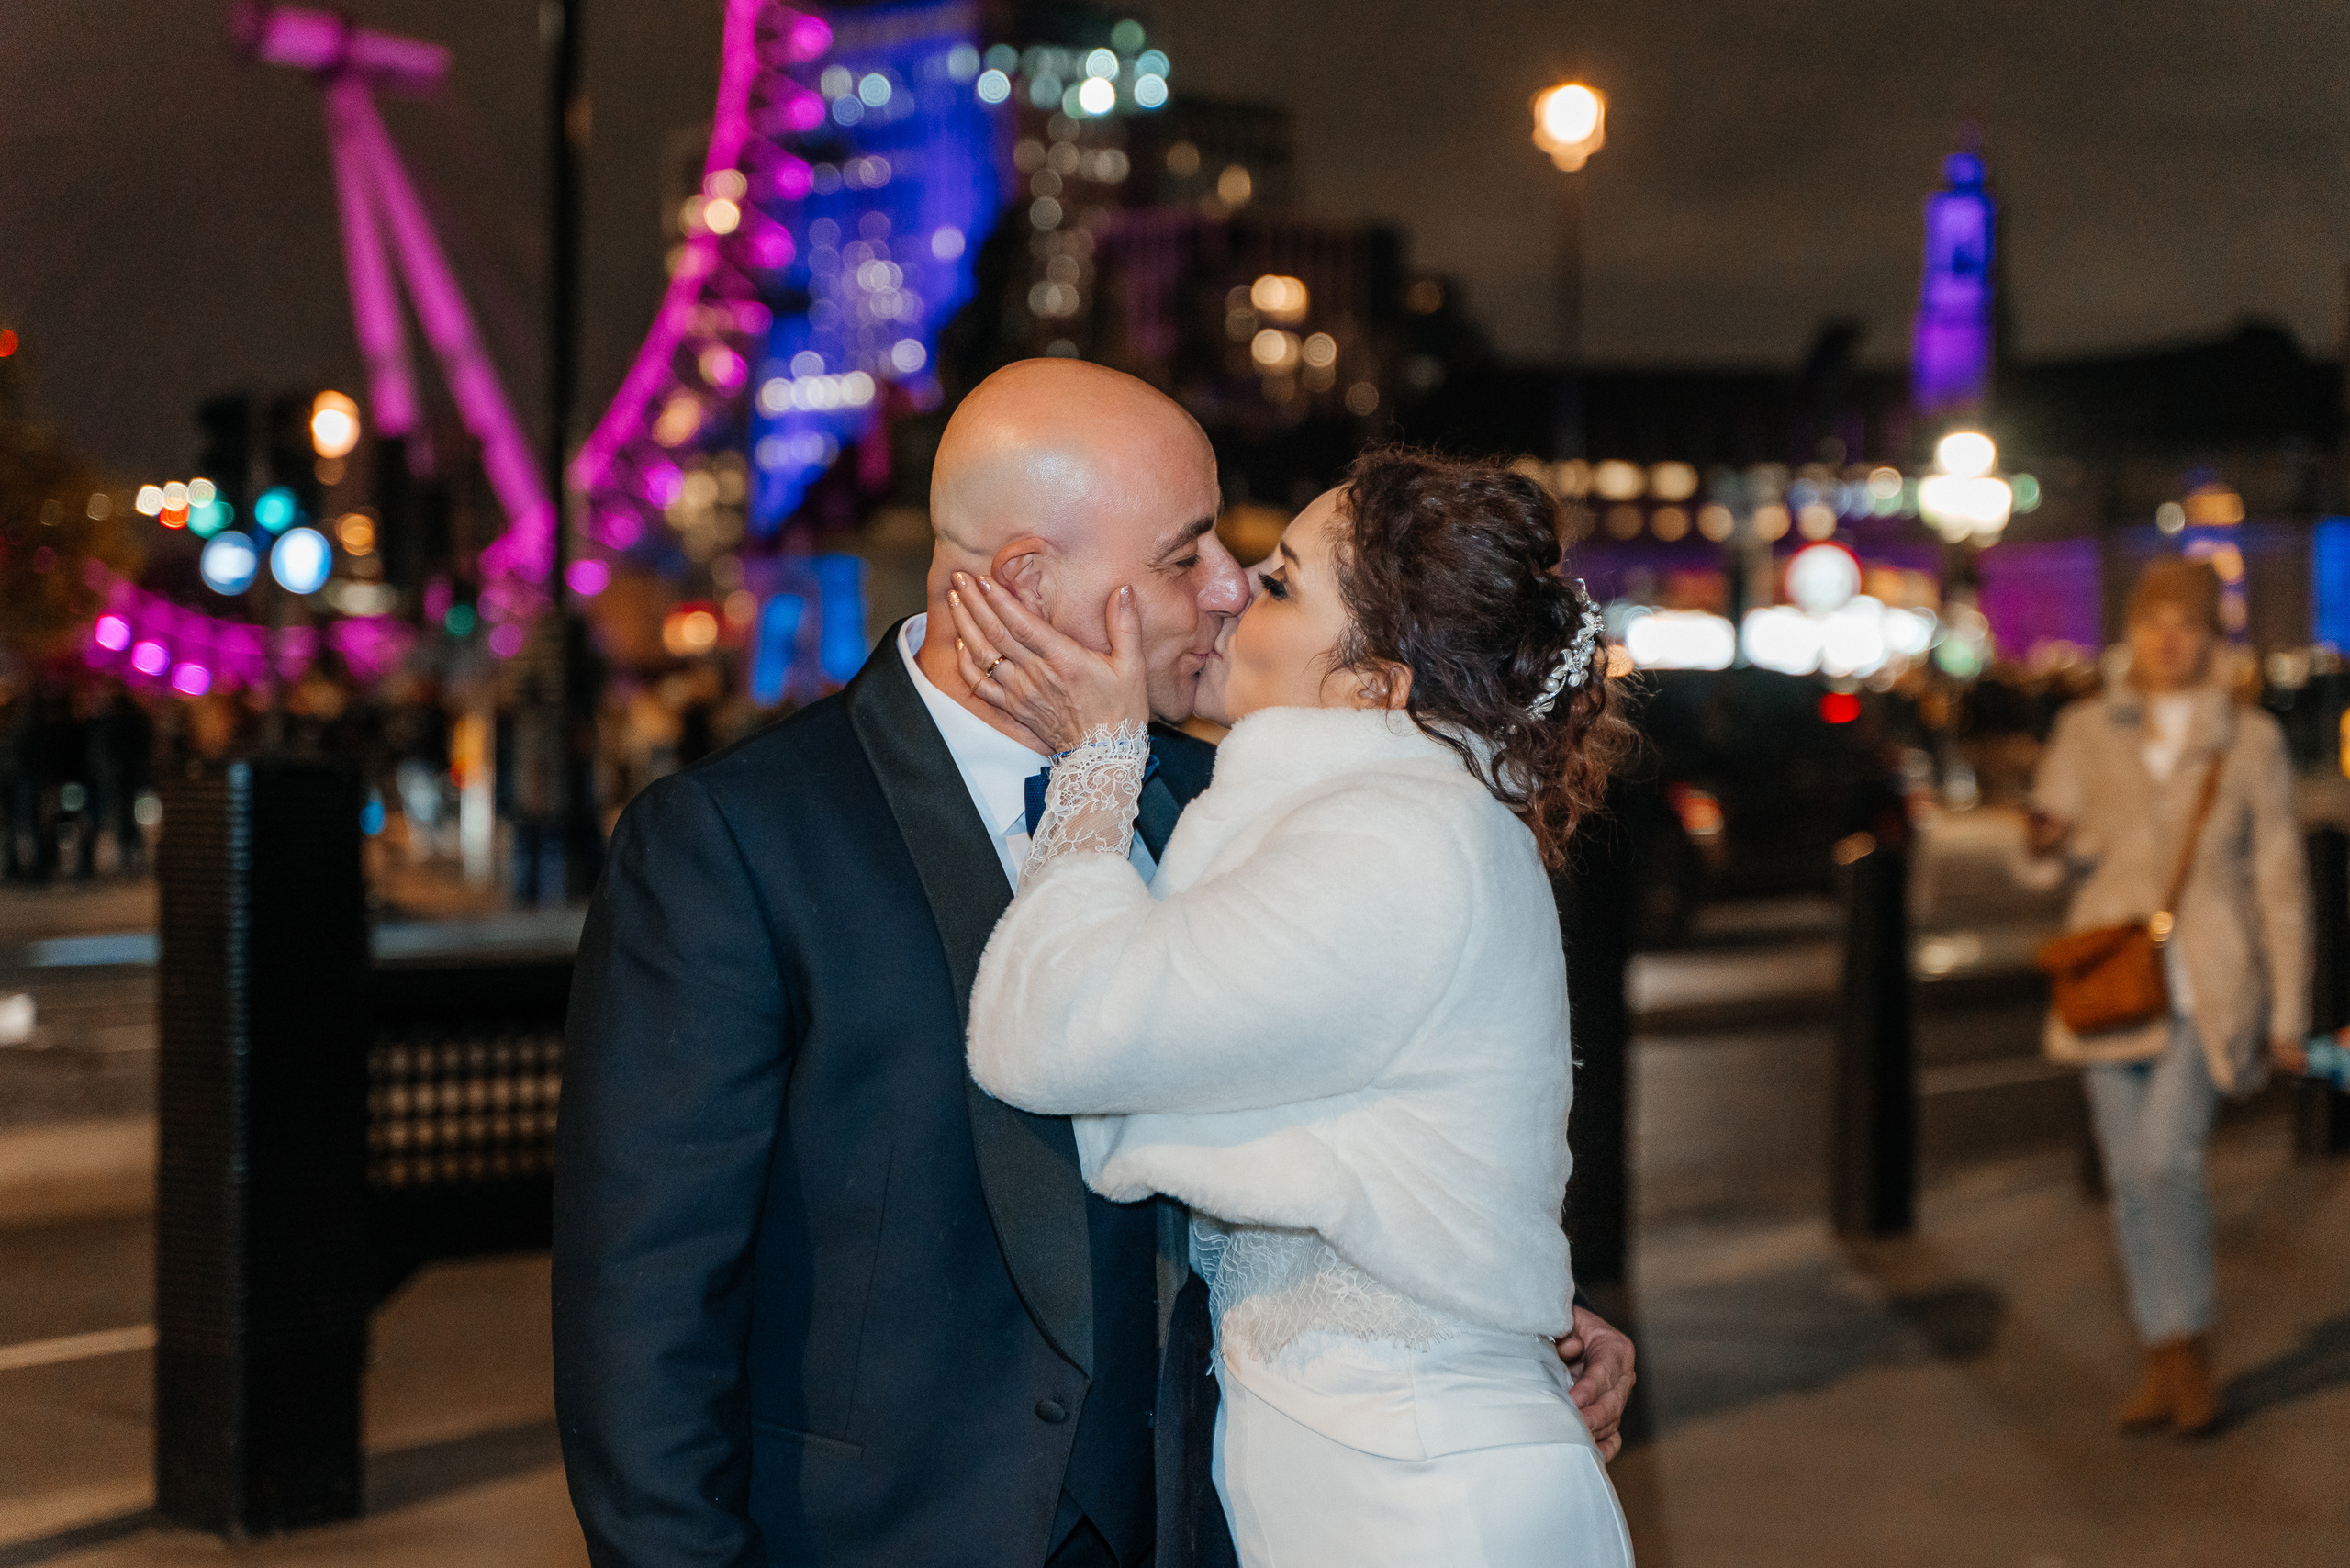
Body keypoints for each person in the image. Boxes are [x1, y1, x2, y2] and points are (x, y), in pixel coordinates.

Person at [553, 361, 1637, 1567]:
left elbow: (1352, 1103)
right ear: (1028, 581)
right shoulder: (740, 839)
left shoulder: (1226, 797)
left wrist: (1503, 1319)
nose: (1227, 586)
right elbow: (645, 1299)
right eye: (1184, 555)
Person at [954, 448, 1639, 1566]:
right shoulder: (1397, 816)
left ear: (1376, 686)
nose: (1229, 591)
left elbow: (1054, 1032)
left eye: (1278, 582)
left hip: (1415, 1492)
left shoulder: (1395, 838)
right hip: (1368, 1464)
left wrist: (1098, 763)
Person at [2026, 556, 2310, 1437]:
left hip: (2210, 982)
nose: (2169, 638)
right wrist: (2041, 838)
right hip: (2109, 981)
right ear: (2132, 632)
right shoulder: (2085, 729)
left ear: (2213, 638)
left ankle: (2189, 1350)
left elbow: (2281, 881)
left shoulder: (2249, 740)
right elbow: (2044, 855)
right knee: (2127, 1176)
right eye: (2154, 620)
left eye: (2187, 622)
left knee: (2163, 1159)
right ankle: (2162, 1349)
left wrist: (2291, 1013)